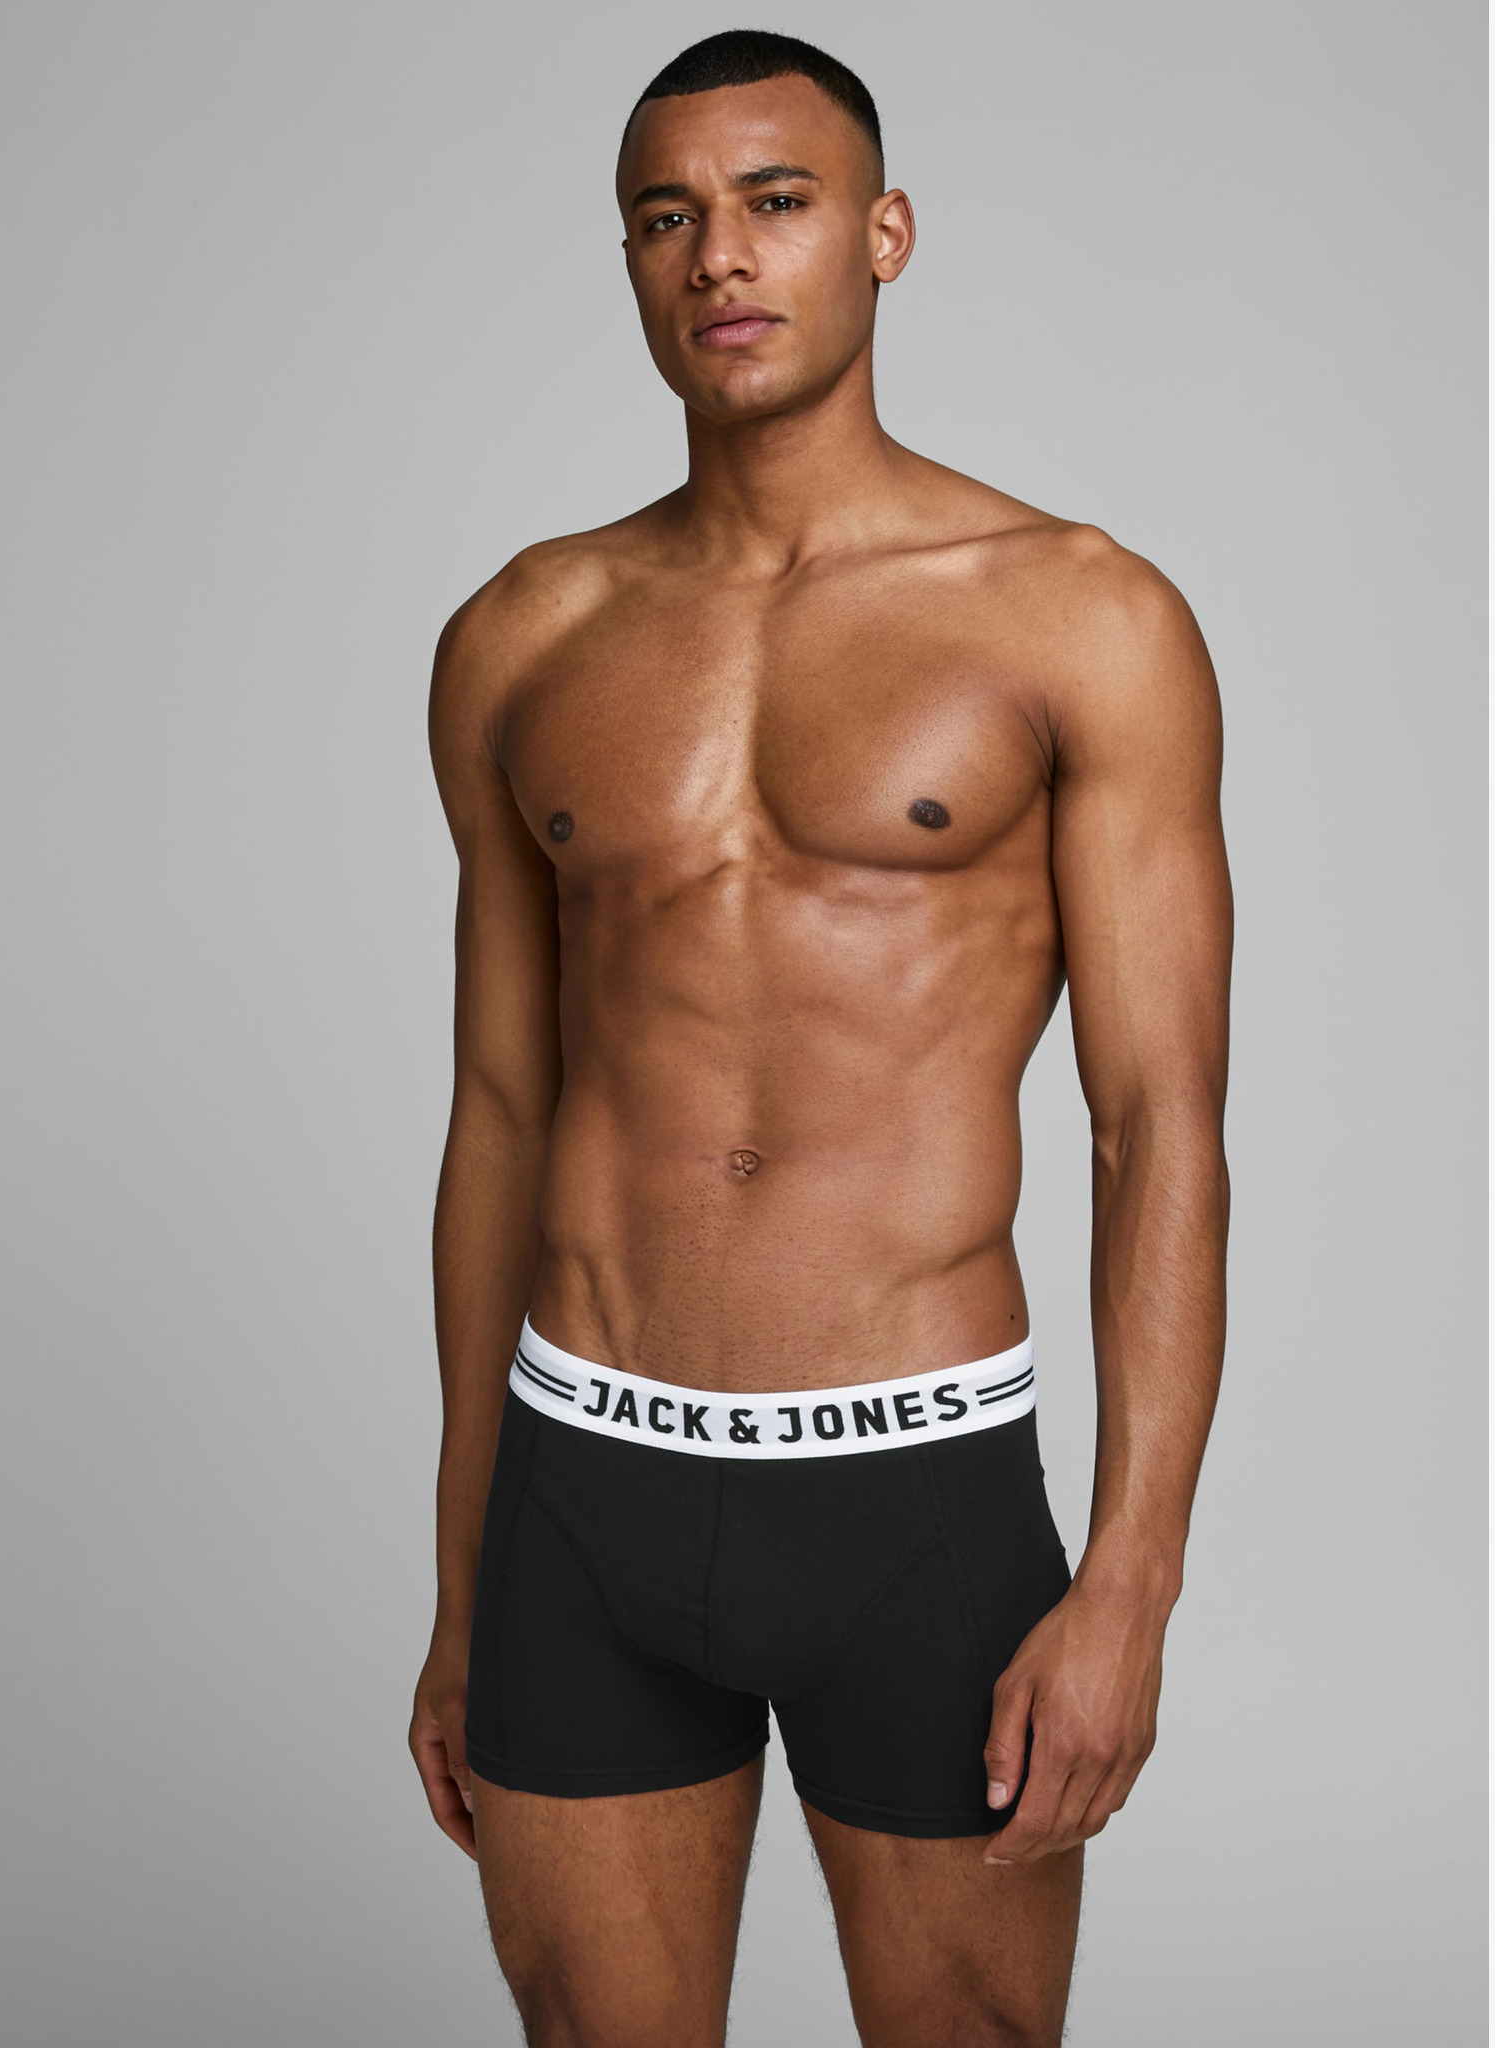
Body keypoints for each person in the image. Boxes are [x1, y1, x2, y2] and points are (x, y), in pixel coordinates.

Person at [408, 28, 1231, 2048]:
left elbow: (1159, 1124)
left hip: (915, 1494)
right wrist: (462, 1572)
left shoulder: (1081, 616)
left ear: (883, 233)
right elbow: (502, 1108)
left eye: (775, 202)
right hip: (582, 1483)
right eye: (666, 217)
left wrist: (1133, 1580)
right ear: (629, 258)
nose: (720, 255)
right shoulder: (523, 635)